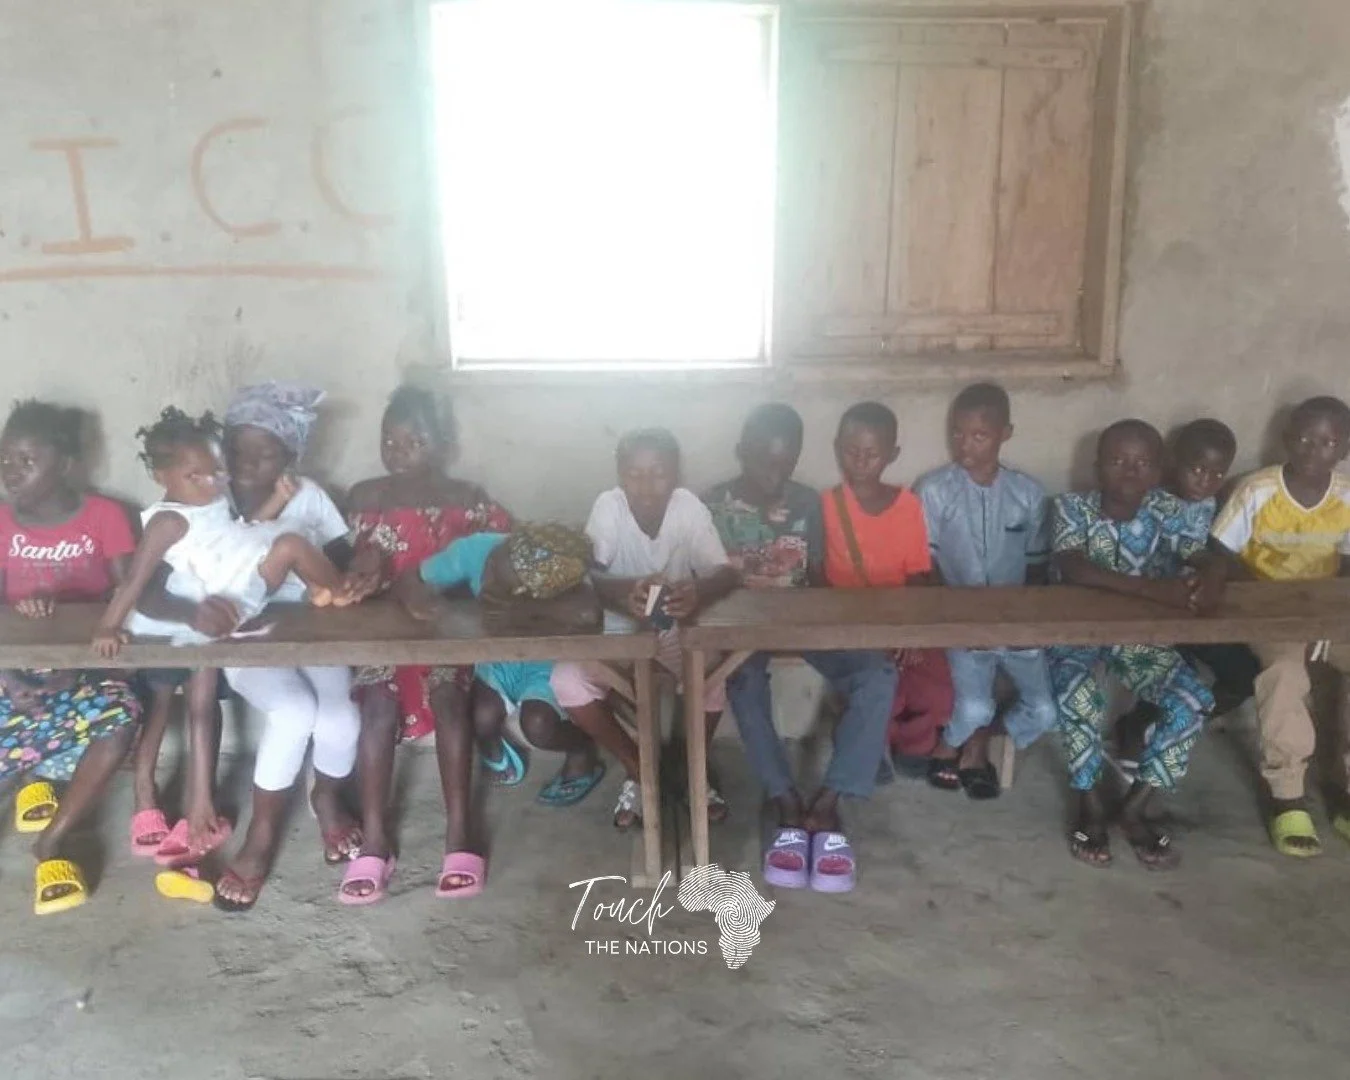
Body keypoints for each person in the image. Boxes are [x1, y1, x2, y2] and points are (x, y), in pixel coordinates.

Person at [93, 407, 352, 867]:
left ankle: (328, 588)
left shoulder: (211, 499)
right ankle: (338, 590)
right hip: (222, 604)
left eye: (215, 472)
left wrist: (274, 505)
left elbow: (240, 533)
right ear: (160, 475)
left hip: (239, 585)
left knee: (289, 541)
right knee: (291, 544)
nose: (210, 482)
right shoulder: (167, 521)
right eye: (195, 475)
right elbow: (135, 579)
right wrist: (109, 625)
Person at [170, 383, 368, 912]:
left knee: (341, 717)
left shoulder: (309, 497)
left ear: (290, 457)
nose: (248, 464)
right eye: (237, 451)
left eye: (266, 454)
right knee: (294, 710)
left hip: (315, 631)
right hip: (247, 638)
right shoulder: (209, 502)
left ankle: (326, 796)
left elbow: (341, 557)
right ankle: (261, 835)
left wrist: (359, 578)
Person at [704, 403, 896, 893]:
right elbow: (702, 580)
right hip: (740, 628)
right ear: (740, 452)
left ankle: (829, 801)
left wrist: (844, 628)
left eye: (785, 463)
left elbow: (816, 575)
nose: (775, 474)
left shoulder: (808, 503)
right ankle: (784, 798)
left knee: (877, 673)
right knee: (742, 678)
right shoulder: (712, 505)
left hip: (802, 621)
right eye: (764, 462)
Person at [340, 384, 512, 904]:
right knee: (375, 708)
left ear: (441, 444)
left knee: (450, 701)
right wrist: (361, 574)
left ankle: (459, 833)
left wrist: (445, 592)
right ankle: (374, 840)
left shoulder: (466, 499)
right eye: (389, 441)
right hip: (382, 630)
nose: (399, 452)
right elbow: (342, 563)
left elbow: (502, 558)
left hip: (444, 626)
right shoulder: (364, 498)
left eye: (414, 441)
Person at [393, 523, 601, 899]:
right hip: (500, 661)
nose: (487, 583)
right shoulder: (476, 550)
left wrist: (527, 613)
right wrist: (420, 602)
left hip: (546, 663)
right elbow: (411, 577)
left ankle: (582, 748)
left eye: (502, 584)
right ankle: (496, 749)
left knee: (538, 725)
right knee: (479, 715)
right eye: (491, 570)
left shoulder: (558, 572)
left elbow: (589, 613)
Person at [1048, 419, 1219, 870]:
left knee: (1192, 700)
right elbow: (1074, 567)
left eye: (1142, 463)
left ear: (1159, 470)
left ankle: (1134, 807)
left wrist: (1212, 576)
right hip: (1076, 634)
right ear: (1097, 467)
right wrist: (1153, 590)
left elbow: (1201, 554)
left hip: (1138, 643)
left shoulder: (1168, 509)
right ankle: (1088, 805)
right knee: (1076, 693)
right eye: (1118, 461)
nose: (1129, 472)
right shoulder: (1073, 508)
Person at [550, 428, 738, 831]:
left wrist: (698, 592)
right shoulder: (609, 507)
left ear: (677, 474)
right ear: (620, 474)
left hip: (672, 628)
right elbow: (588, 575)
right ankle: (639, 769)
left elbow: (724, 573)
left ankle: (692, 770)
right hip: (617, 631)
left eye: (659, 473)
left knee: (712, 671)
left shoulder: (687, 507)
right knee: (567, 679)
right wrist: (624, 592)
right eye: (634, 474)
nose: (647, 486)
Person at [0, 400, 142, 914]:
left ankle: (53, 840)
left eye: (27, 460)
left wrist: (79, 661)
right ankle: (30, 782)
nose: (12, 471)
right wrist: (9, 674)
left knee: (120, 716)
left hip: (80, 671)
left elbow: (128, 599)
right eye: (6, 459)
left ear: (64, 464)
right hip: (10, 674)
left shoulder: (104, 516)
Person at [1210, 396, 1350, 858]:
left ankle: (1344, 786)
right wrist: (1269, 600)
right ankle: (1288, 794)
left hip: (1326, 611)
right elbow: (1221, 554)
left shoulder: (1346, 496)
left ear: (1344, 449)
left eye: (1328, 442)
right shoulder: (1257, 490)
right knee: (1286, 672)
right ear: (1287, 439)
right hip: (1264, 611)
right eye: (1305, 438)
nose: (1314, 450)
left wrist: (1330, 612)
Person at [915, 384, 1056, 800]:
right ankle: (960, 742)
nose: (965, 445)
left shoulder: (1028, 494)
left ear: (1005, 434)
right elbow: (926, 565)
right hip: (961, 622)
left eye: (979, 435)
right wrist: (950, 617)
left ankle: (974, 741)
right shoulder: (934, 490)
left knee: (1045, 712)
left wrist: (1026, 624)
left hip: (1016, 624)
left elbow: (1036, 566)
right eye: (957, 433)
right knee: (974, 705)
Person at [1115, 418, 1256, 773]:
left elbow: (1215, 558)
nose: (1205, 481)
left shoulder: (1212, 505)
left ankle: (1166, 725)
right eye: (1196, 469)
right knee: (1178, 676)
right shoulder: (1150, 502)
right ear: (1173, 462)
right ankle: (1136, 727)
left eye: (1217, 474)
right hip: (1150, 610)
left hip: (1194, 611)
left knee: (1245, 674)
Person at [822, 401, 953, 776]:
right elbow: (820, 575)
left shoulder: (907, 505)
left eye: (873, 453)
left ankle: (914, 743)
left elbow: (917, 574)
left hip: (901, 615)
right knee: (880, 681)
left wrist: (907, 629)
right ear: (837, 449)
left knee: (933, 683)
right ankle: (874, 743)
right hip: (850, 620)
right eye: (852, 451)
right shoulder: (827, 506)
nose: (861, 461)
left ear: (892, 455)